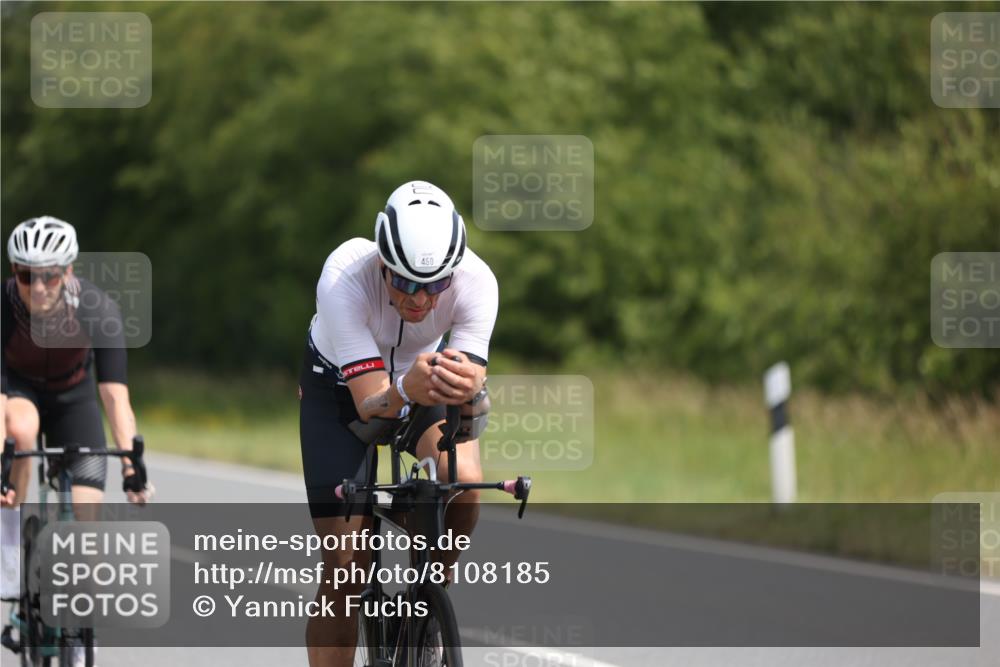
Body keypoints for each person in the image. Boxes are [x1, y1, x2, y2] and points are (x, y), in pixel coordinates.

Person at [299, 181, 498, 665]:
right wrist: (407, 388)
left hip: (423, 377)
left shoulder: (478, 281)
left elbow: (469, 399)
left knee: (464, 483)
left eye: (435, 285)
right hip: (341, 391)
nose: (420, 300)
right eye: (405, 282)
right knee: (346, 568)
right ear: (382, 264)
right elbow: (370, 405)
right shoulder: (344, 277)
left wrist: (470, 395)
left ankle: (427, 605)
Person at [0, 216, 152, 598]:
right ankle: (8, 539)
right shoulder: (3, 307)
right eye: (25, 275)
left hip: (74, 398)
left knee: (87, 527)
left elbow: (115, 396)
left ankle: (80, 633)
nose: (37, 287)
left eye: (49, 276)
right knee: (20, 429)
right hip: (18, 390)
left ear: (68, 271)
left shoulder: (96, 308)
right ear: (13, 271)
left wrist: (131, 466)